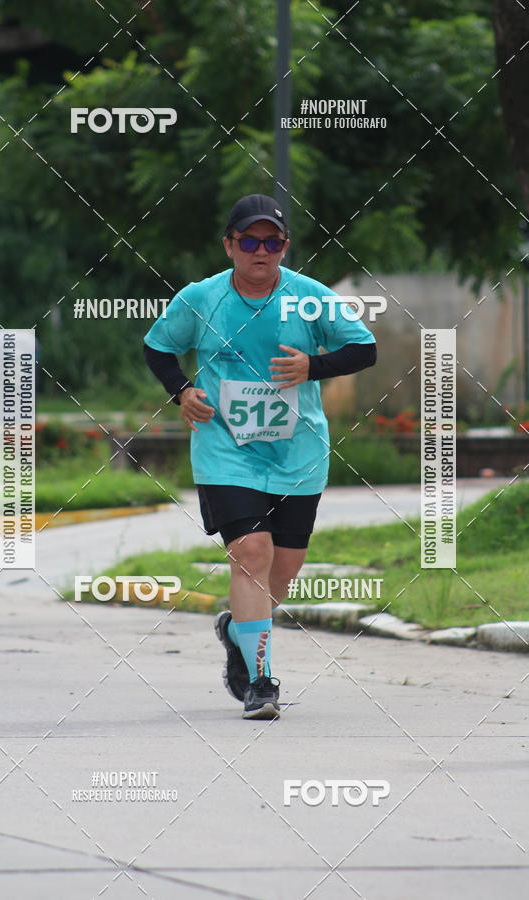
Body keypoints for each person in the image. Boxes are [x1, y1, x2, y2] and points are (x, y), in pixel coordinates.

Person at [143, 194, 376, 719]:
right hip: (225, 449)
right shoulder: (201, 298)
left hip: (299, 453)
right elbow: (157, 347)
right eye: (249, 241)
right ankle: (260, 680)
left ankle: (238, 631)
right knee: (251, 553)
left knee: (283, 569)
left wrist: (312, 366)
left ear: (284, 247)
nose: (261, 251)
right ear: (229, 245)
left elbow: (365, 348)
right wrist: (181, 390)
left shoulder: (308, 298)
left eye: (272, 242)